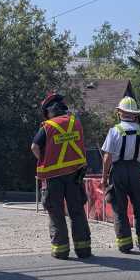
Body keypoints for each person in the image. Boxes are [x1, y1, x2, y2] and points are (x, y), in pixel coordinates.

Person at [30, 93, 91, 260]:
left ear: (49, 111)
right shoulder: (75, 123)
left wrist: (44, 159)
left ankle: (61, 250)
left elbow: (34, 147)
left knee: (56, 213)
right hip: (74, 175)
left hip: (53, 178)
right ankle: (84, 249)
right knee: (77, 212)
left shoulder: (47, 127)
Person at [100, 97, 140, 253]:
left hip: (118, 171)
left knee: (119, 208)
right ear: (135, 114)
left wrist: (104, 178)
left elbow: (107, 157)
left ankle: (125, 243)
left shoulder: (114, 131)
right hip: (136, 171)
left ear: (120, 112)